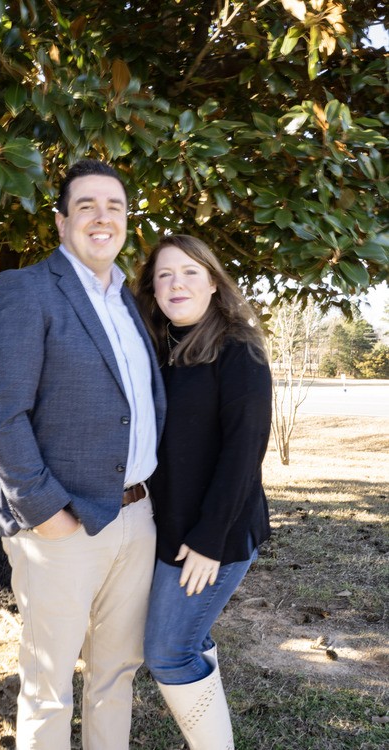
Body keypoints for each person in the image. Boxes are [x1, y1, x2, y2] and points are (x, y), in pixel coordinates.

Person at [0, 159, 166, 750]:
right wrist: (44, 511)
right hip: (62, 527)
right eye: (86, 206)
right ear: (61, 222)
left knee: (116, 674)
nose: (102, 218)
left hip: (138, 518)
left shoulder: (132, 302)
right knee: (49, 686)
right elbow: (0, 414)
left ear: (127, 220)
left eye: (114, 207)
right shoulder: (25, 290)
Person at [135, 234, 272, 750]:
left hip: (216, 534)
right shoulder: (157, 348)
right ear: (152, 287)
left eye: (191, 272)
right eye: (165, 274)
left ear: (213, 282)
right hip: (167, 526)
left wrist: (210, 539)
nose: (177, 283)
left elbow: (244, 452)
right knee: (186, 639)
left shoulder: (238, 350)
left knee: (168, 652)